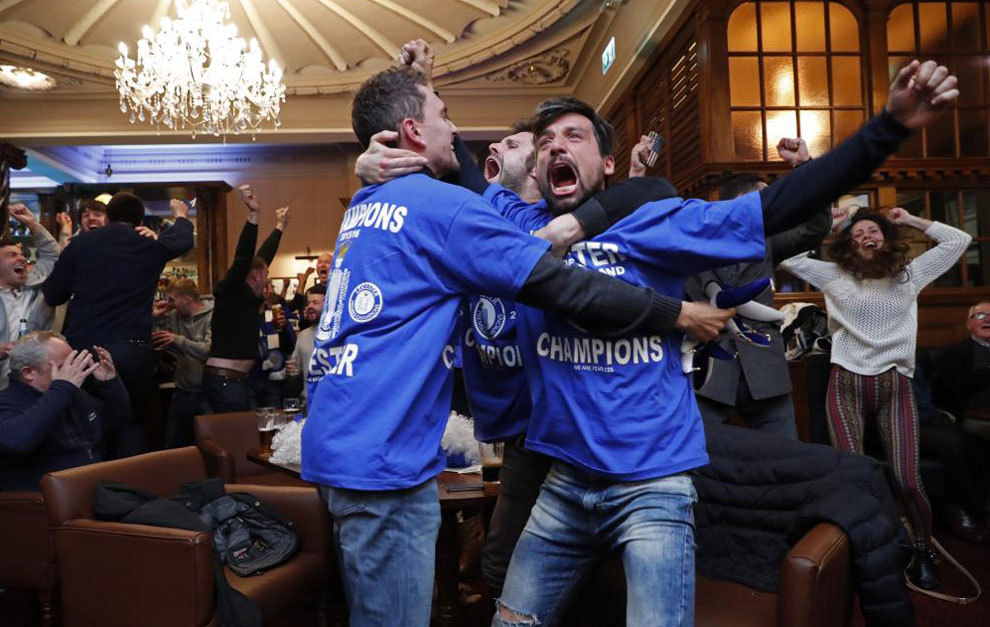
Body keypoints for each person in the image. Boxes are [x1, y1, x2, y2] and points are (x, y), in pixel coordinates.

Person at [494, 58, 959, 626]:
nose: (554, 147)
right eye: (545, 143)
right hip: (562, 483)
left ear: (608, 163)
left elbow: (778, 207)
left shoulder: (656, 221)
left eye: (573, 136)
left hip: (653, 487)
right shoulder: (520, 229)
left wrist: (888, 125)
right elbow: (449, 188)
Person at [303, 64, 721, 627]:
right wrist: (677, 314)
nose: (461, 131)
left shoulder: (368, 199)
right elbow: (560, 286)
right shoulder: (455, 209)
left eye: (569, 138)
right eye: (444, 116)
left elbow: (656, 190)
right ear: (413, 132)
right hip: (391, 458)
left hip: (348, 442)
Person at [780, 206, 971, 589]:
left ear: (885, 237)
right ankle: (863, 551)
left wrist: (911, 220)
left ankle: (921, 549)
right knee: (852, 477)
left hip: (893, 387)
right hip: (845, 385)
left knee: (907, 479)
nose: (866, 236)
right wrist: (828, 225)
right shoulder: (833, 275)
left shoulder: (910, 275)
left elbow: (959, 240)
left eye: (874, 230)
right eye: (857, 233)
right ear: (849, 244)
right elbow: (787, 256)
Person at [684, 156, 833, 438]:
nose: (775, 202)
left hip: (765, 372)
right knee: (702, 460)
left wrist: (805, 167)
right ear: (743, 200)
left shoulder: (767, 238)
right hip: (710, 372)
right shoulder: (692, 236)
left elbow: (815, 228)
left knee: (785, 457)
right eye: (767, 196)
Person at [42, 193, 194, 458]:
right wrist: (181, 214)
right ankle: (126, 488)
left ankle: (86, 486)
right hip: (132, 348)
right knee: (132, 421)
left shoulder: (80, 245)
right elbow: (182, 239)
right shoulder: (147, 245)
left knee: (85, 419)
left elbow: (53, 295)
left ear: (108, 218)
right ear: (140, 221)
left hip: (85, 349)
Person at [0, 332, 128, 491]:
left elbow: (113, 421)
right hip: (40, 503)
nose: (73, 372)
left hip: (93, 489)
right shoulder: (7, 402)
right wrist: (61, 389)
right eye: (63, 367)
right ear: (28, 373)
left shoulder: (72, 394)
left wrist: (110, 384)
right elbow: (16, 442)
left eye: (73, 364)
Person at [203, 185, 288, 412]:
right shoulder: (231, 290)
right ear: (254, 275)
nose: (267, 280)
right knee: (237, 442)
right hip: (225, 382)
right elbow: (244, 257)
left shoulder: (248, 295)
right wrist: (253, 215)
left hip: (235, 381)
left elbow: (263, 256)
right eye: (265, 275)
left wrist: (280, 227)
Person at [0, 203, 60, 389]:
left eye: (22, 255)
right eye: (11, 255)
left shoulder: (35, 285)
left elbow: (52, 256)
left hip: (33, 383)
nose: (21, 258)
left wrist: (32, 224)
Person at [152, 278, 213, 448]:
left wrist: (179, 340)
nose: (169, 304)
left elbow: (208, 351)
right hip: (182, 391)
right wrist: (157, 318)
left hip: (206, 392)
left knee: (207, 446)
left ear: (187, 299)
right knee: (173, 444)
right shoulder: (173, 317)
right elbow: (159, 340)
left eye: (172, 299)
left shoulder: (211, 316)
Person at [285, 284, 325, 405]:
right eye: (308, 303)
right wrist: (290, 371)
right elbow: (295, 368)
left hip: (333, 402)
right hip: (308, 403)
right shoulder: (303, 335)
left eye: (315, 303)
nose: (310, 306)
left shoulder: (339, 335)